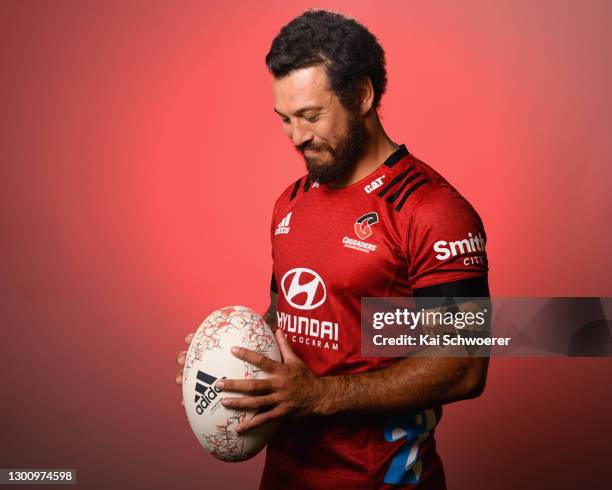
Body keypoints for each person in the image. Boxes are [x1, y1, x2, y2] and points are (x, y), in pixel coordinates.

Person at [176, 9, 490, 489]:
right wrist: (226, 358)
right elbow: (285, 315)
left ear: (362, 95)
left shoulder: (431, 210)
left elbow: (464, 366)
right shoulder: (292, 202)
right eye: (284, 119)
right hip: (284, 476)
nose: (296, 136)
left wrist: (318, 395)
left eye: (310, 115)